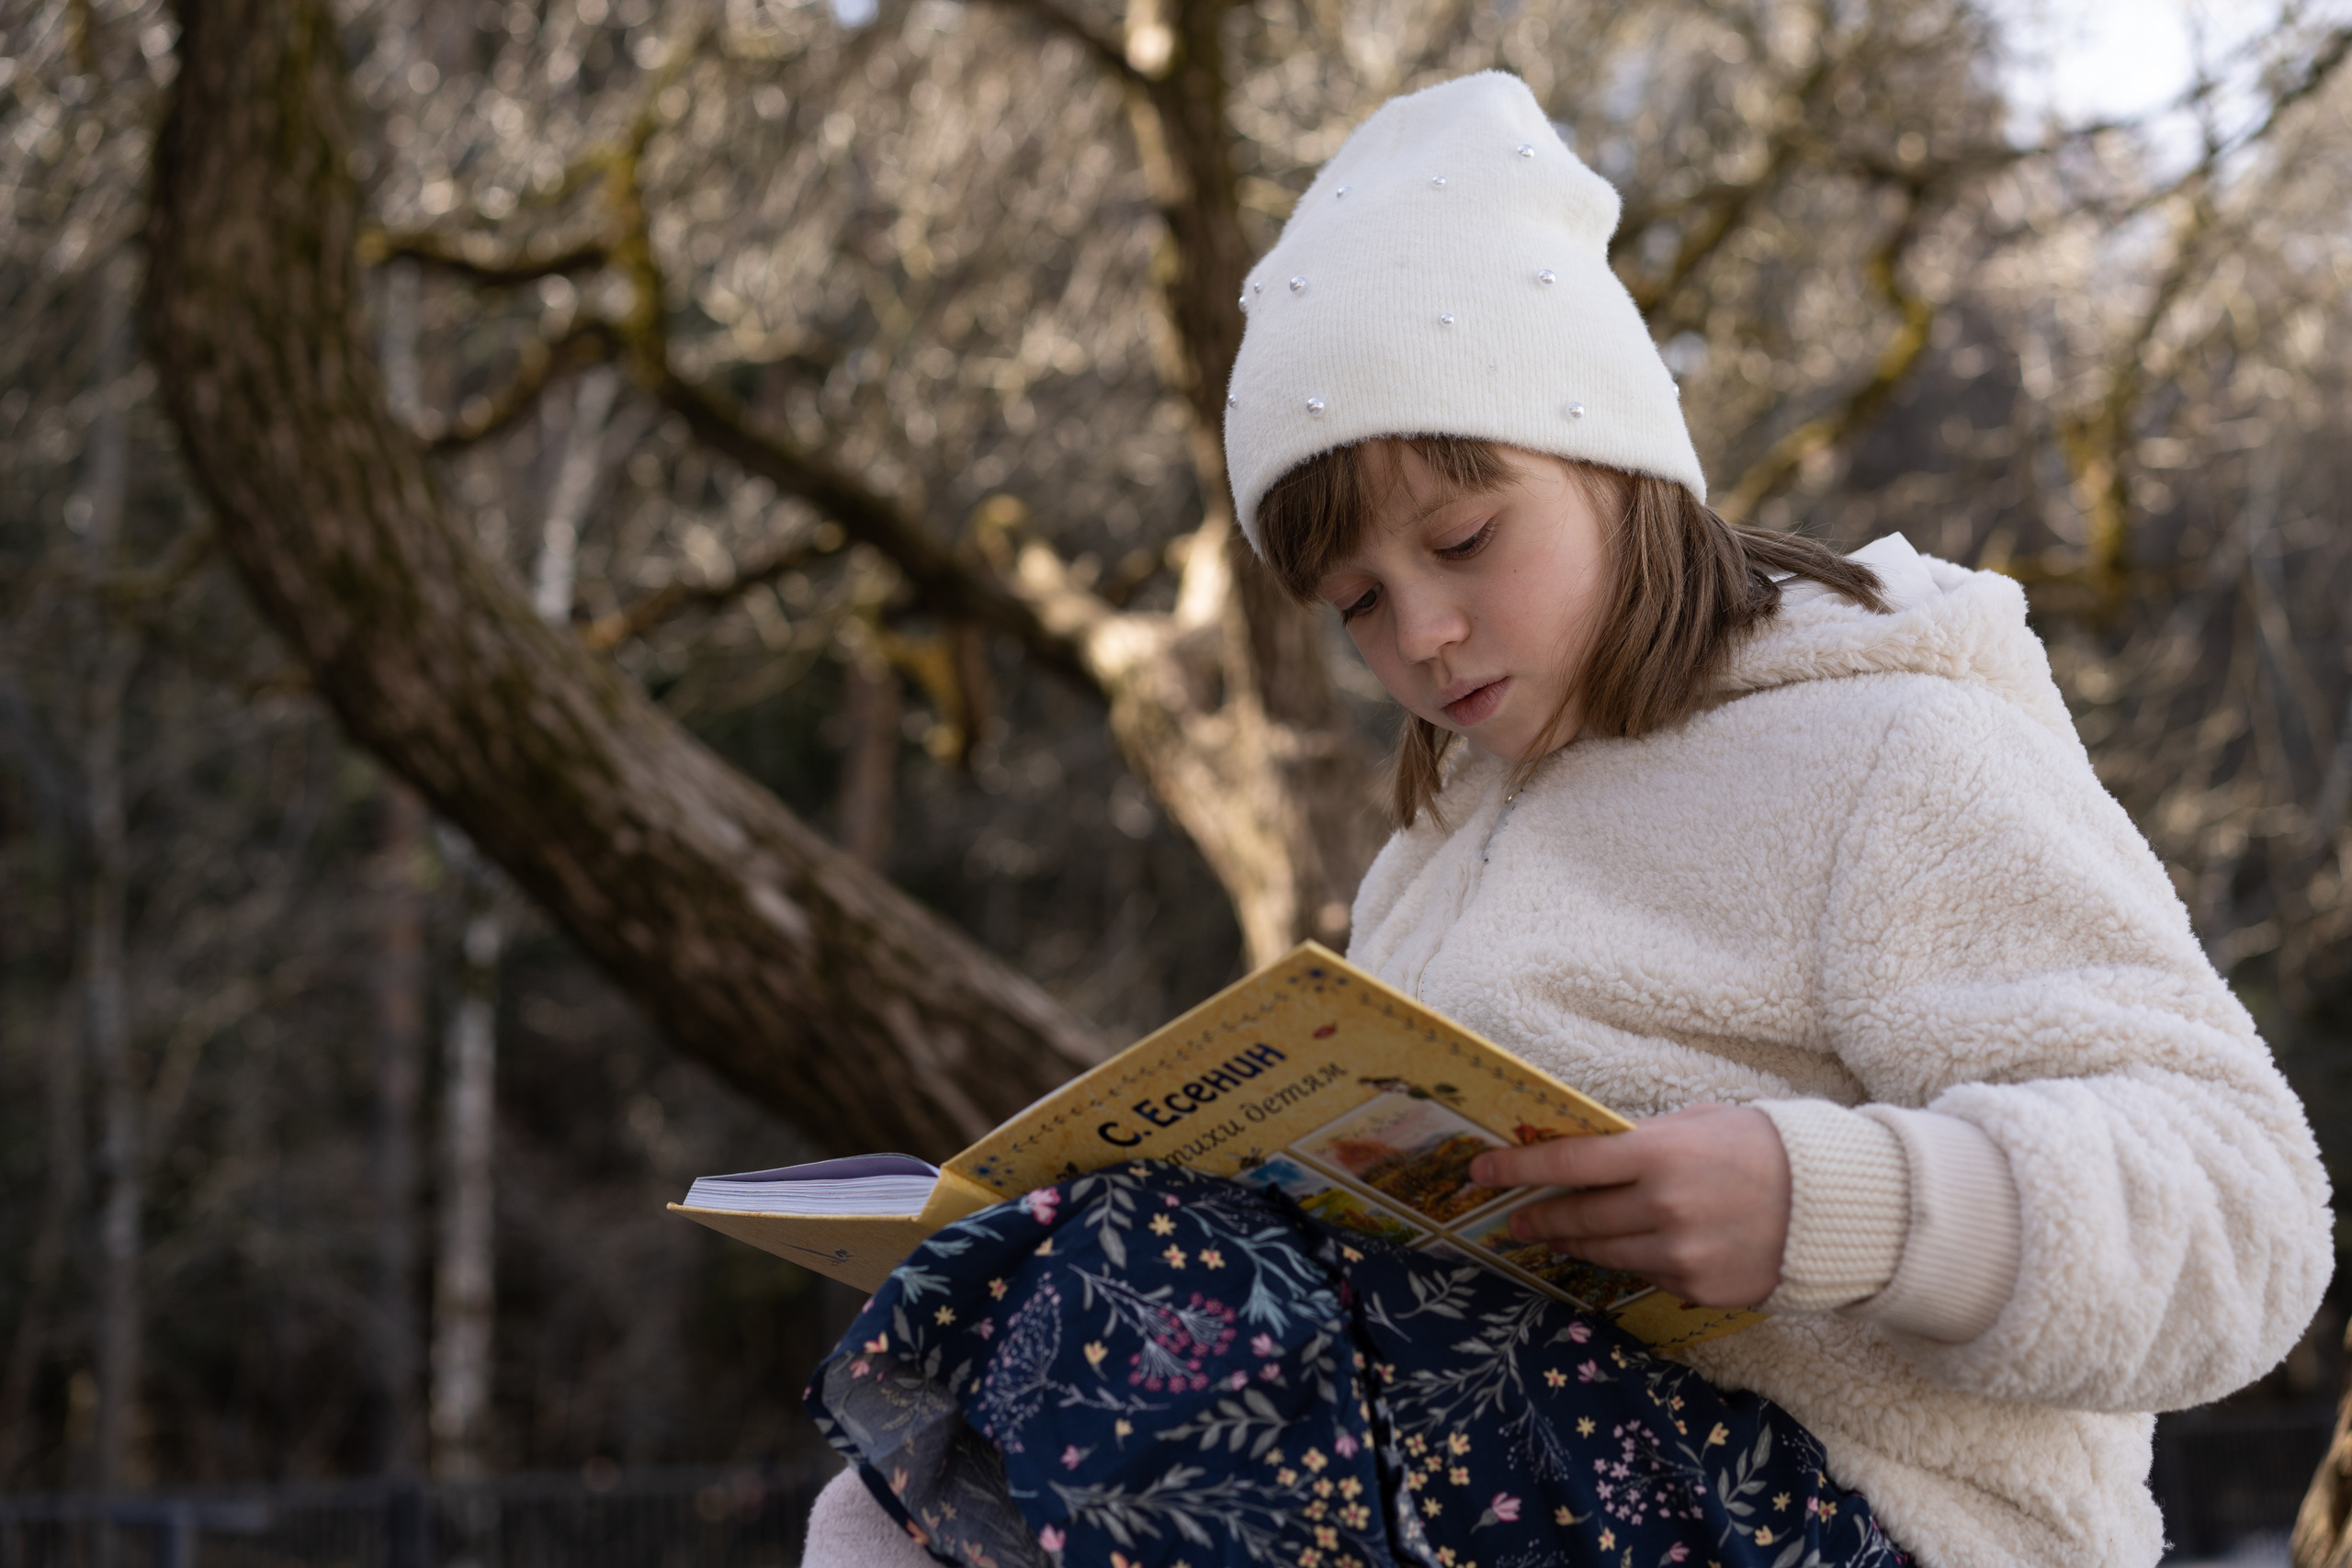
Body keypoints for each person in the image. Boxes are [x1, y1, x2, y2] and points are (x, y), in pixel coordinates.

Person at [799, 71, 2332, 1568]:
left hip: (1876, 1518)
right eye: (1358, 604)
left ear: (1612, 458)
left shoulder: (1885, 750)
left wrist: (1831, 1203)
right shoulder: (1422, 873)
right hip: (1529, 1473)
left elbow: (2251, 1217)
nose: (1424, 634)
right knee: (920, 1468)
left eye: (1465, 539)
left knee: (1122, 1288)